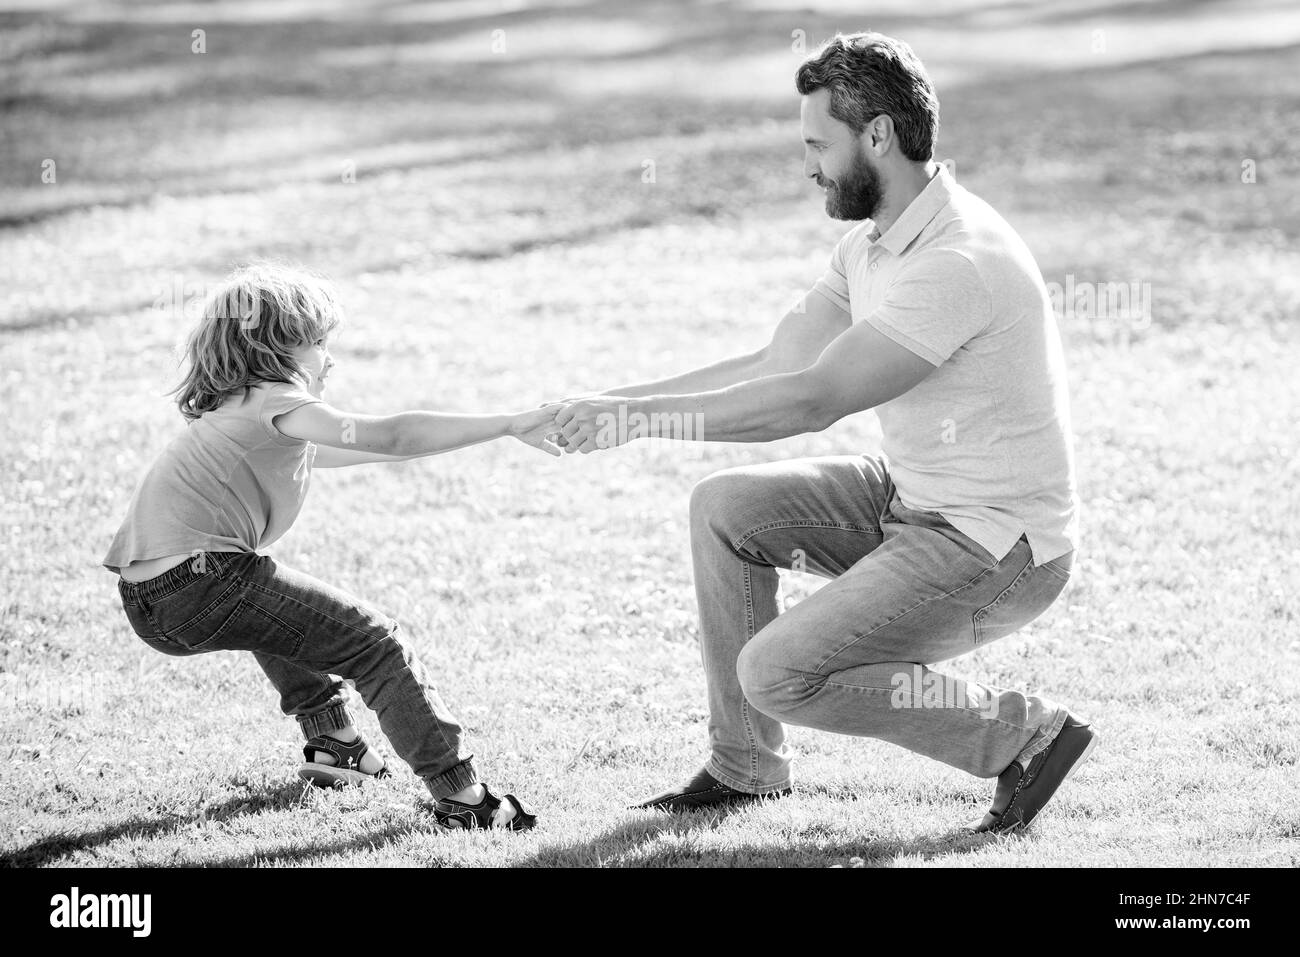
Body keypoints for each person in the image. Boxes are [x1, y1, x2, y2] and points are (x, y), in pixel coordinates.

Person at [550, 32, 1097, 834]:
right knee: (723, 509)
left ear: (878, 135)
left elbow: (809, 401)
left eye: (818, 144)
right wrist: (613, 403)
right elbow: (779, 358)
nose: (808, 166)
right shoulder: (872, 243)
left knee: (776, 672)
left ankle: (1024, 736)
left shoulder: (957, 262)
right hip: (914, 499)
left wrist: (638, 423)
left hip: (993, 549)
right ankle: (745, 768)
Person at [103, 263, 559, 831]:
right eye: (318, 342)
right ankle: (465, 801)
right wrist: (512, 422)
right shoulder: (274, 400)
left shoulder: (240, 411)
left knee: (281, 612)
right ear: (272, 348)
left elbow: (386, 449)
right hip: (202, 582)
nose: (330, 357)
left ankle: (335, 747)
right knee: (376, 645)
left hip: (152, 597)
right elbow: (391, 434)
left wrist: (487, 435)